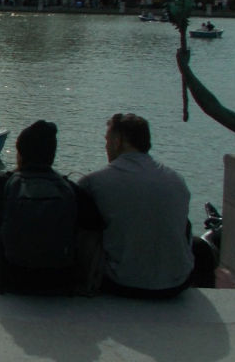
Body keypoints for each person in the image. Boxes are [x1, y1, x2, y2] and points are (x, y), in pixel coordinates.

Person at [0, 121, 102, 294]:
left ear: (20, 154)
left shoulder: (6, 183)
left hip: (11, 276)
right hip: (60, 278)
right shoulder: (69, 189)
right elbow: (96, 223)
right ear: (51, 156)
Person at [80, 113, 194, 299]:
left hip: (123, 282)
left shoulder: (95, 183)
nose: (106, 146)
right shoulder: (176, 180)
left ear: (118, 141)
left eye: (107, 140)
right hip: (176, 284)